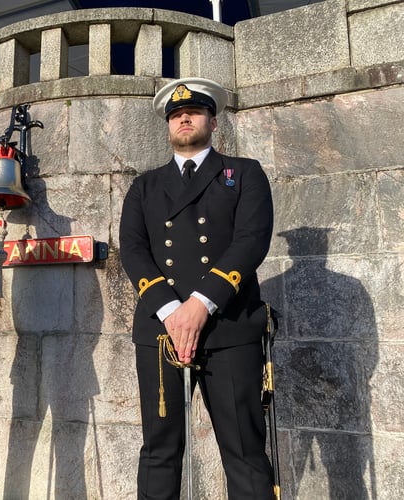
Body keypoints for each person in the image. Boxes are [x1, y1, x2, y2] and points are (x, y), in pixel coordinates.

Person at [119, 77, 275, 499]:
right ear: (168, 127)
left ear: (213, 121)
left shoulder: (244, 173)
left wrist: (201, 304)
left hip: (229, 327)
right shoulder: (144, 186)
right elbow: (132, 251)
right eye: (174, 115)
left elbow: (251, 240)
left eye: (192, 112)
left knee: (243, 450)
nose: (183, 118)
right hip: (161, 331)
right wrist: (172, 310)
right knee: (159, 449)